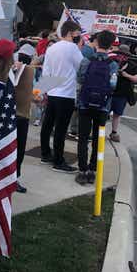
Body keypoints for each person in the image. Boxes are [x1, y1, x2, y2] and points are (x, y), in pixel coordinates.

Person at [0, 39, 35, 193]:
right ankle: (11, 178)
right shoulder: (3, 77)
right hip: (10, 122)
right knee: (15, 151)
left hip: (6, 122)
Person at [74, 31, 119, 185]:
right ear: (110, 45)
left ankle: (82, 170)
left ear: (97, 43)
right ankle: (93, 170)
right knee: (97, 140)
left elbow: (79, 79)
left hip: (85, 104)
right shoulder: (113, 65)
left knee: (83, 138)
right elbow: (113, 86)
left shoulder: (86, 61)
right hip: (103, 107)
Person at [40, 21, 84, 172]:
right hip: (66, 94)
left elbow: (46, 71)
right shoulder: (73, 48)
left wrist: (44, 90)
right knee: (61, 128)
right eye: (78, 33)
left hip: (52, 91)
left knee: (47, 125)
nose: (80, 36)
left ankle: (45, 154)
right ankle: (58, 161)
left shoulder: (52, 47)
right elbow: (81, 66)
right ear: (71, 33)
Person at [108, 44, 137, 143]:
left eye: (124, 55)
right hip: (110, 92)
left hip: (122, 94)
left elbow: (135, 79)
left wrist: (126, 75)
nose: (122, 57)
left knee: (117, 114)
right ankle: (100, 131)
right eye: (120, 55)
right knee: (104, 112)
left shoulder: (132, 65)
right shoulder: (112, 62)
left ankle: (114, 132)